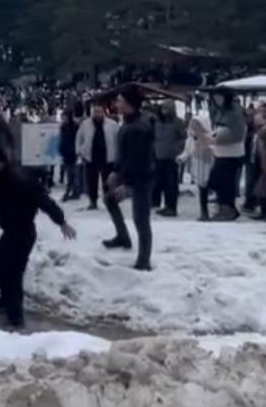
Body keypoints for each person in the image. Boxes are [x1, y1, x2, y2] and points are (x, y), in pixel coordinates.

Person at [0, 148, 75, 327]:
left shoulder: (19, 179)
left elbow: (44, 200)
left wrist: (61, 221)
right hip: (10, 232)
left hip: (23, 233)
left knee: (13, 275)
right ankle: (6, 302)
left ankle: (15, 319)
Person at [103, 88, 156, 271]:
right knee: (109, 199)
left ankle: (144, 261)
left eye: (119, 100)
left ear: (128, 103)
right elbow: (123, 154)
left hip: (141, 178)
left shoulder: (139, 128)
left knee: (141, 219)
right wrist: (115, 172)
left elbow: (138, 161)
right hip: (128, 174)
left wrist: (127, 184)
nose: (116, 104)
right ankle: (123, 237)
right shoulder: (127, 123)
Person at [208, 89, 247, 221]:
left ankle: (228, 209)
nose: (217, 100)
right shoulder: (221, 111)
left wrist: (216, 138)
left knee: (226, 183)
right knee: (218, 181)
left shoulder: (235, 112)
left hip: (232, 153)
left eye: (219, 97)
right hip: (220, 152)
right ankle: (225, 207)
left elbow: (237, 134)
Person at [76, 104, 120, 210]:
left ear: (103, 112)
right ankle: (93, 201)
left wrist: (118, 154)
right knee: (91, 181)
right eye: (95, 111)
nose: (97, 113)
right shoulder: (85, 124)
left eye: (99, 111)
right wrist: (80, 151)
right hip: (90, 156)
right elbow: (79, 138)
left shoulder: (112, 124)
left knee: (107, 181)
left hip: (108, 156)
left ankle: (109, 201)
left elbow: (118, 139)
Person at [151, 100, 187, 217]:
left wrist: (177, 148)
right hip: (158, 156)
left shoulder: (178, 122)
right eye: (163, 108)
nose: (164, 111)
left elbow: (184, 138)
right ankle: (157, 203)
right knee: (158, 181)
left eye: (166, 109)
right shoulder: (157, 122)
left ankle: (171, 207)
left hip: (172, 158)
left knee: (171, 184)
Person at [177, 118, 215, 221]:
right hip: (198, 168)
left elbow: (214, 151)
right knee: (202, 190)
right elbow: (187, 151)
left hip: (208, 167)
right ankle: (204, 212)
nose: (193, 128)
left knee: (206, 190)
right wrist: (181, 158)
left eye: (196, 126)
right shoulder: (190, 140)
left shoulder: (209, 138)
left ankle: (207, 212)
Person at [58, 110, 81, 202]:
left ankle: (75, 192)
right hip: (66, 153)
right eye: (62, 117)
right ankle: (71, 191)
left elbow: (78, 139)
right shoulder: (63, 127)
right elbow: (62, 139)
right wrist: (61, 149)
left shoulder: (75, 126)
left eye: (65, 117)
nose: (63, 119)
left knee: (74, 173)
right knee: (69, 173)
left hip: (73, 152)